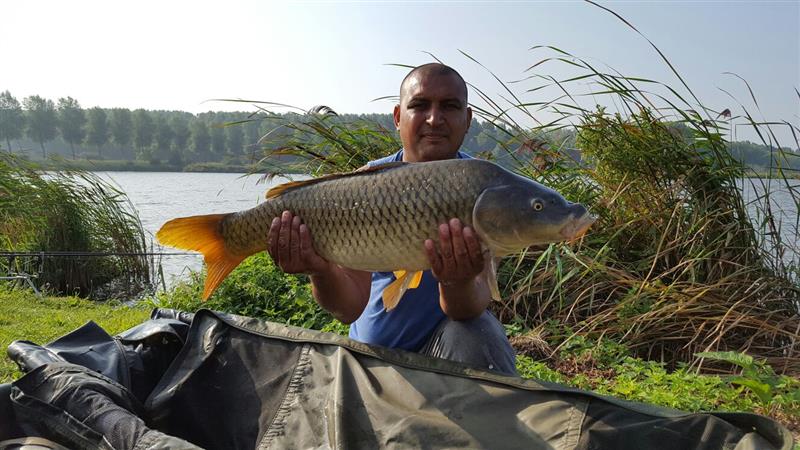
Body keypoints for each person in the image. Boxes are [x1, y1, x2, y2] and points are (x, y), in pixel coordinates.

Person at [267, 63, 517, 375]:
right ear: (398, 117)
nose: (434, 119)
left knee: (479, 332)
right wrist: (320, 270)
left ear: (467, 120)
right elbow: (348, 308)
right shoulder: (364, 185)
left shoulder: (483, 188)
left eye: (449, 106)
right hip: (375, 354)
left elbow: (467, 308)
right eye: (420, 105)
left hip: (445, 347)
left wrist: (457, 280)